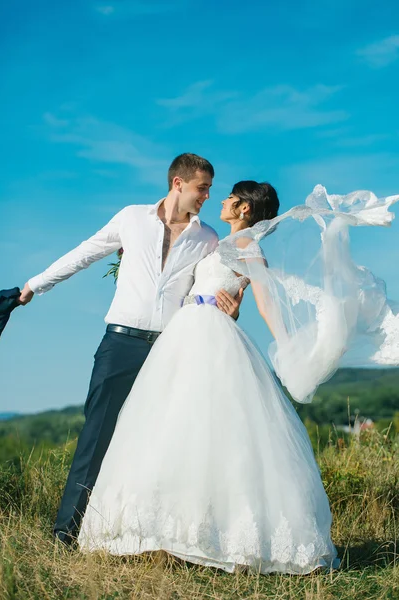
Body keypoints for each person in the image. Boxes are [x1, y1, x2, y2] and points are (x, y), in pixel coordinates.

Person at [78, 180, 341, 575]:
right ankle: (165, 530)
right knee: (171, 425)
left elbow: (266, 301)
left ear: (245, 209)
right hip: (184, 330)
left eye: (230, 197)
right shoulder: (218, 242)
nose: (221, 200)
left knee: (214, 432)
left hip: (212, 336)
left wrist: (286, 343)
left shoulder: (249, 247)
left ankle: (218, 535)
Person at [18, 153, 244, 545]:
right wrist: (34, 285)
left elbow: (205, 292)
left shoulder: (207, 238)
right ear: (178, 183)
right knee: (96, 436)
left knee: (160, 439)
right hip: (120, 342)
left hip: (170, 350)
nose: (208, 196)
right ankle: (65, 533)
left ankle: (139, 533)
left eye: (209, 189)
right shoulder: (131, 218)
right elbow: (84, 253)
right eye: (202, 188)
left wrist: (232, 309)